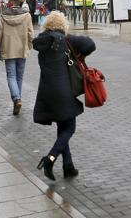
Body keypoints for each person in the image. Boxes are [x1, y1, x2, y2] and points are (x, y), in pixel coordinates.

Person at [32, 10, 95, 181]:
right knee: (70, 127)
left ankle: (68, 166)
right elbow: (91, 44)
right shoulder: (65, 40)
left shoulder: (41, 42)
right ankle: (50, 158)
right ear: (62, 25)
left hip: (47, 92)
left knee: (62, 127)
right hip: (63, 91)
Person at [0, 0, 34, 115]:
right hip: (22, 49)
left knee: (11, 76)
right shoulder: (26, 16)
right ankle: (18, 99)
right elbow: (31, 33)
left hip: (8, 49)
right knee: (19, 76)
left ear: (11, 3)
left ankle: (16, 99)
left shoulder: (3, 16)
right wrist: (29, 46)